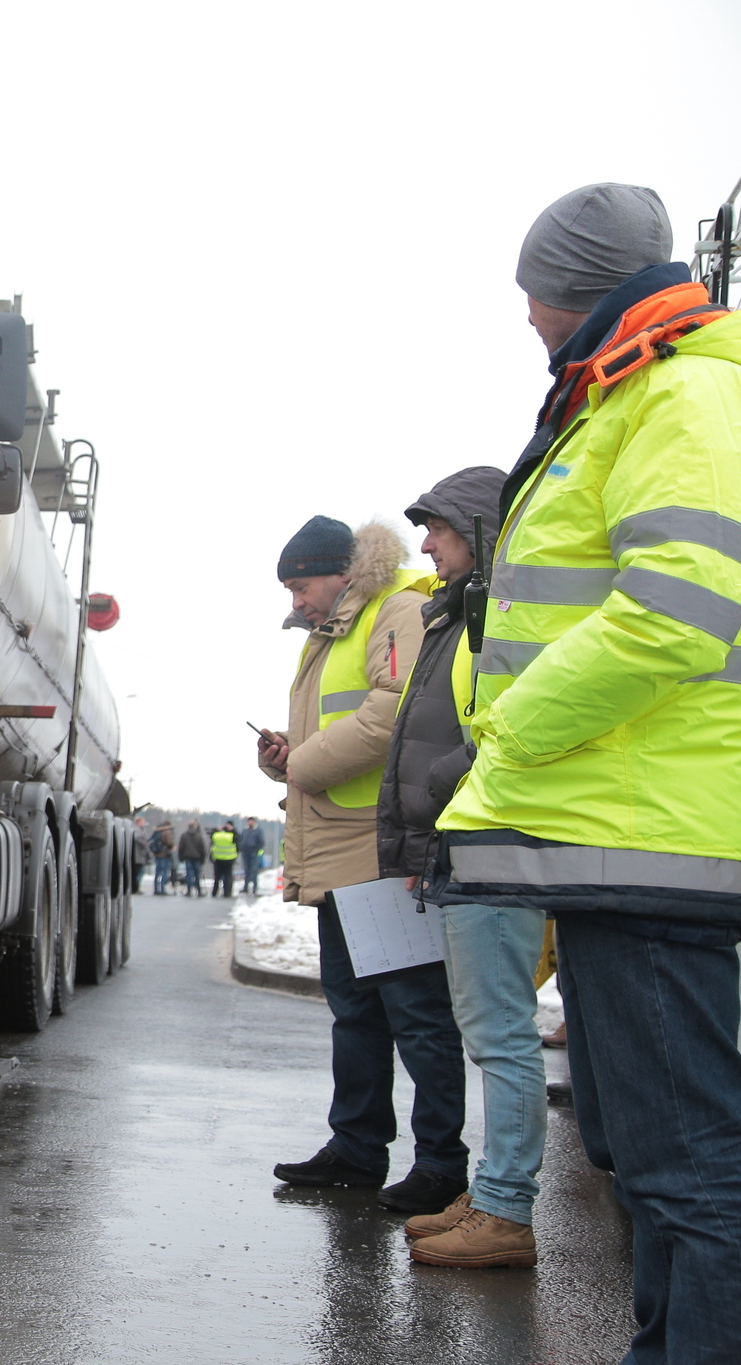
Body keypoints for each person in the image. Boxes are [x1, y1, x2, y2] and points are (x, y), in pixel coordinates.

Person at [436, 184, 741, 1347]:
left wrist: (511, 733)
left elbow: (673, 612)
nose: (525, 315)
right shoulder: (633, 391)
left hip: (653, 837)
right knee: (644, 1157)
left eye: (536, 291)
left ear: (585, 288)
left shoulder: (680, 392)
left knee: (686, 1165)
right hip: (625, 832)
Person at [258, 515, 468, 1218]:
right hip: (343, 852)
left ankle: (440, 1161)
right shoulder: (335, 633)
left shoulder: (396, 610)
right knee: (355, 1012)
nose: (296, 602)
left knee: (414, 1011)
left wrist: (303, 764)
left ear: (340, 572)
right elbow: (343, 725)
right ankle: (356, 1147)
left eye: (301, 585)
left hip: (380, 850)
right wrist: (287, 753)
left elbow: (396, 711)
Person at [371, 466, 550, 1269]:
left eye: (438, 527)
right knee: (488, 1031)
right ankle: (491, 1193)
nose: (424, 542)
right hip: (463, 835)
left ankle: (506, 1207)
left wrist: (447, 781)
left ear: (478, 530)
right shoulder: (456, 613)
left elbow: (506, 716)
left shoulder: (501, 610)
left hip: (497, 834)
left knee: (501, 1034)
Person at [176, 821, 206, 896]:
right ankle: (199, 890)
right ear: (195, 827)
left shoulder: (184, 835)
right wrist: (203, 859)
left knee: (189, 874)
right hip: (197, 858)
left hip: (188, 857)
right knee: (197, 875)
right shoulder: (199, 836)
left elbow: (181, 847)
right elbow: (202, 848)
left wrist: (180, 857)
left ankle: (189, 890)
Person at [238, 816, 266, 894]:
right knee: (246, 870)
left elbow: (261, 842)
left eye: (251, 821)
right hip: (245, 853)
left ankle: (254, 888)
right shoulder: (245, 830)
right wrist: (242, 848)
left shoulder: (258, 831)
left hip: (254, 853)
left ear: (254, 822)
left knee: (254, 871)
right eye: (249, 821)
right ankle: (245, 887)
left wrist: (256, 849)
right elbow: (241, 839)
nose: (250, 823)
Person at [210, 823, 238, 897]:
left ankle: (214, 892)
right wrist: (233, 830)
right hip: (229, 859)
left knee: (217, 877)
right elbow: (238, 840)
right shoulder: (232, 836)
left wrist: (217, 830)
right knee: (228, 876)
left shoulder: (216, 835)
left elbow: (211, 836)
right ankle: (227, 893)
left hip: (218, 858)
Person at [150, 821, 175, 894]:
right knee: (164, 872)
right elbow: (169, 842)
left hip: (157, 854)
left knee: (157, 872)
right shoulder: (167, 832)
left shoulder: (157, 831)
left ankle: (156, 889)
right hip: (164, 854)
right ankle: (162, 889)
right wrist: (172, 846)